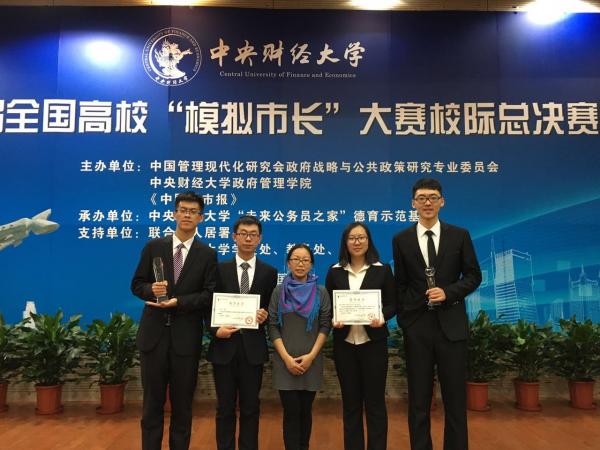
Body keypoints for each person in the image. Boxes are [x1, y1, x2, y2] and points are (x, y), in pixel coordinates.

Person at [392, 178, 482, 450]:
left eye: (432, 197)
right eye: (421, 198)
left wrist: (448, 292)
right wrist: (408, 320)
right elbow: (401, 284)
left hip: (451, 326)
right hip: (418, 327)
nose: (427, 202)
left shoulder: (459, 235)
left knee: (455, 399)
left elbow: (473, 276)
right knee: (418, 400)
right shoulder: (401, 239)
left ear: (442, 201)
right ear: (413, 204)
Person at [131, 191, 217, 450]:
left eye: (193, 211)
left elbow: (209, 294)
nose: (187, 215)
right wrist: (151, 290)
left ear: (201, 217)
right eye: (183, 210)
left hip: (185, 339)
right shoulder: (153, 247)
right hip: (153, 338)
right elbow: (137, 284)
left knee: (182, 406)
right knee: (151, 405)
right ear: (174, 213)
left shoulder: (207, 254)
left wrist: (179, 302)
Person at [207, 215, 278, 450]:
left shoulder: (269, 272)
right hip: (224, 347)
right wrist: (215, 330)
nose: (248, 238)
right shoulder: (219, 269)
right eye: (244, 234)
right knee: (224, 408)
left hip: (252, 350)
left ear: (260, 239)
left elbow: (270, 308)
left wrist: (264, 315)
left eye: (253, 234)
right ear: (234, 237)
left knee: (250, 407)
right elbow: (208, 306)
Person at [325, 222, 396, 450]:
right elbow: (328, 306)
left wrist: (382, 316)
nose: (357, 242)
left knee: (375, 404)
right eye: (352, 238)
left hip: (373, 344)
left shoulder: (382, 269)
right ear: (345, 242)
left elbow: (393, 303)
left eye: (361, 237)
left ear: (368, 241)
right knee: (351, 404)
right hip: (345, 345)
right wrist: (334, 319)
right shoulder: (335, 271)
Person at [268, 243, 332, 450]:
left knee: (305, 411)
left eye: (305, 260)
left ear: (311, 264)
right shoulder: (279, 291)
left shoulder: (321, 292)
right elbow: (273, 326)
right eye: (296, 259)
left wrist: (311, 356)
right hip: (284, 362)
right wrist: (287, 359)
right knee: (291, 412)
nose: (300, 264)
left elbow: (325, 325)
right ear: (288, 263)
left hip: (311, 362)